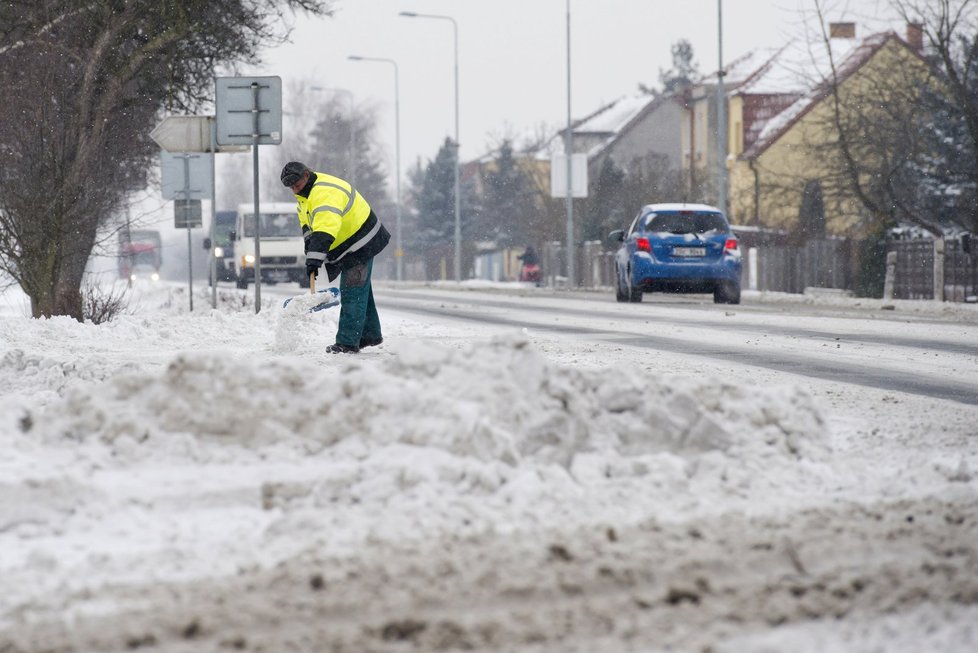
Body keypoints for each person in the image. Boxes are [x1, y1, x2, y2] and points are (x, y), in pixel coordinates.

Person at [281, 161, 390, 354]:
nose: (295, 190)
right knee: (360, 290)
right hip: (350, 244)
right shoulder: (305, 197)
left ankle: (347, 343)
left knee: (352, 289)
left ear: (306, 175)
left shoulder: (323, 194)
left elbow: (324, 231)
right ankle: (370, 334)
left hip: (361, 242)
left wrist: (315, 260)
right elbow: (308, 227)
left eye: (296, 185)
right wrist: (310, 252)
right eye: (291, 188)